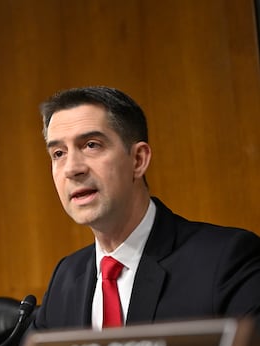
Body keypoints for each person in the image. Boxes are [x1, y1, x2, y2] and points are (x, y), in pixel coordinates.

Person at [33, 86, 260, 331]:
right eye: (58, 153)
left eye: (91, 145)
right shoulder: (66, 278)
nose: (71, 169)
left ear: (138, 160)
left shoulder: (225, 260)